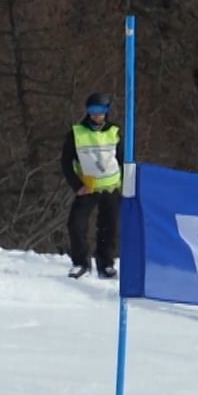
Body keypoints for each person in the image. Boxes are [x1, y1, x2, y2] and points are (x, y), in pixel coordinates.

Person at [61, 91, 122, 279]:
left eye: (101, 110)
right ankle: (81, 263)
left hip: (111, 187)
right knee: (76, 224)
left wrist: (127, 185)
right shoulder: (77, 133)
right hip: (88, 186)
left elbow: (123, 159)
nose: (97, 115)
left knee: (109, 226)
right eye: (93, 110)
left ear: (107, 111)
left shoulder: (115, 132)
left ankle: (106, 263)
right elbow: (65, 161)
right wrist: (77, 185)